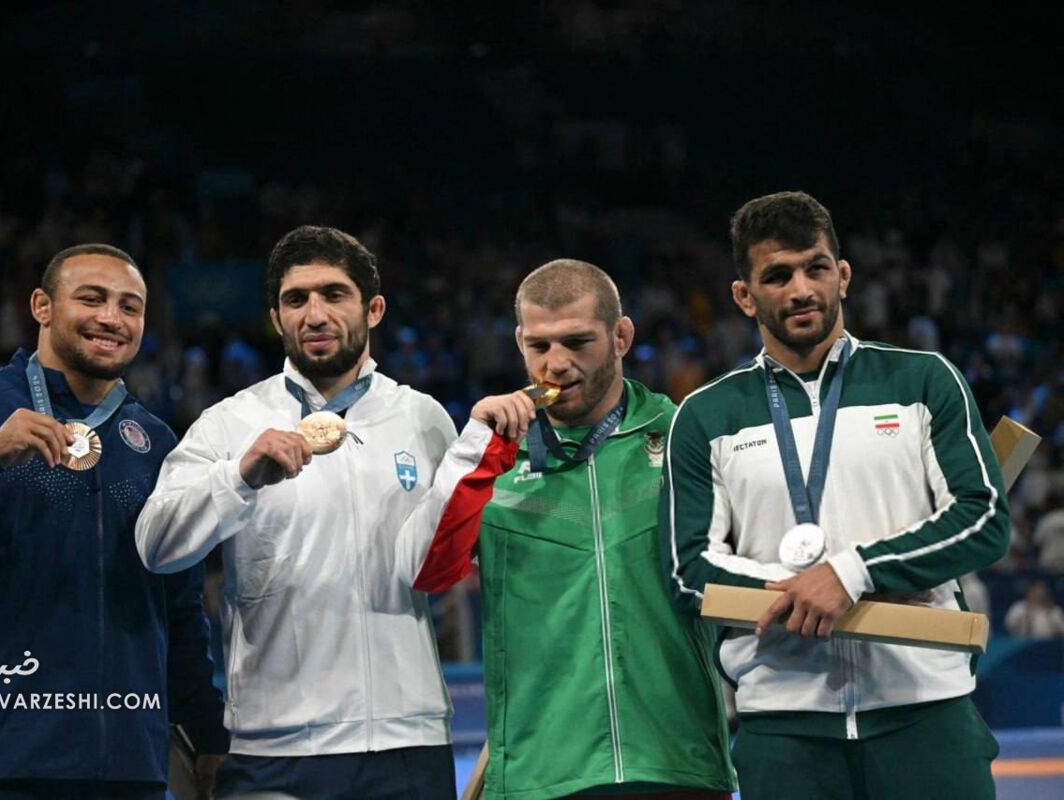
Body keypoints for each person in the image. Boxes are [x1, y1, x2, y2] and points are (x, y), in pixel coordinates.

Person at [663, 191, 1010, 800]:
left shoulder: (923, 379)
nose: (801, 290)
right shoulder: (705, 415)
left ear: (842, 276)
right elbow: (690, 570)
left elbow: (982, 518)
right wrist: (805, 591)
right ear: (744, 295)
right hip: (784, 723)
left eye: (815, 268)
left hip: (926, 708)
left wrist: (852, 573)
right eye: (777, 275)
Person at [0, 244, 228, 799]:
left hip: (131, 770)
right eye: (92, 298)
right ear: (41, 306)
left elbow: (178, 604)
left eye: (130, 307)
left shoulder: (155, 441)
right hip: (3, 765)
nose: (112, 317)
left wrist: (205, 731)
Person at [136, 226, 468, 799]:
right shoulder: (229, 423)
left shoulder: (425, 419)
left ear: (374, 308)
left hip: (408, 739)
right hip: (276, 747)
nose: (314, 314)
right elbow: (156, 545)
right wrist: (239, 475)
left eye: (334, 294)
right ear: (276, 316)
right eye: (296, 299)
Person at [412, 259, 737, 800]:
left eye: (577, 342)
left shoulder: (683, 437)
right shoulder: (492, 459)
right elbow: (430, 570)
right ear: (519, 342)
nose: (556, 364)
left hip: (677, 761)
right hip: (541, 774)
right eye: (539, 347)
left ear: (621, 336)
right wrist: (475, 451)